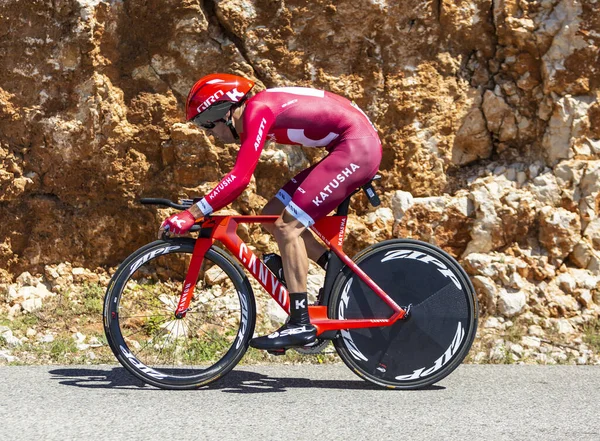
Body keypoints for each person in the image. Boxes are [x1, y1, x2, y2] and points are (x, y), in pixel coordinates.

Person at [158, 73, 382, 351]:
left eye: (206, 124)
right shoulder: (260, 108)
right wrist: (201, 205)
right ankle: (335, 274)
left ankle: (300, 321)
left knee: (289, 227)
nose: (210, 134)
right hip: (349, 145)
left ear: (223, 111)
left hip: (357, 147)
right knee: (273, 215)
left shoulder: (256, 111)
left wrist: (193, 213)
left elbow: (241, 178)